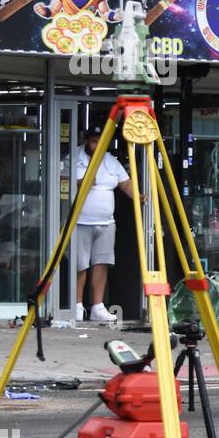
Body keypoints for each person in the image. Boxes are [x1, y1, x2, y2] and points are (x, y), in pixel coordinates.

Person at [72, 128, 136, 322]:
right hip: (80, 221)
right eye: (94, 142)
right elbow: (62, 181)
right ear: (86, 141)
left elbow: (125, 183)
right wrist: (83, 181)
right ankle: (77, 306)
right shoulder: (74, 158)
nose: (98, 146)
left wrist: (138, 197)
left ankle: (97, 307)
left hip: (106, 223)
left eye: (101, 141)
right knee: (80, 265)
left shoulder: (110, 160)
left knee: (101, 264)